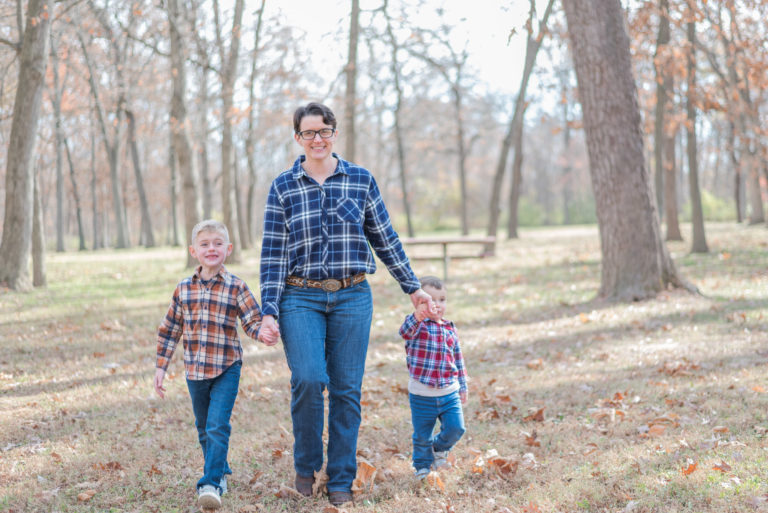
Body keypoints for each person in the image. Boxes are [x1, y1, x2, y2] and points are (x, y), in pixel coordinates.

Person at [258, 102, 436, 506]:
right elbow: (272, 254)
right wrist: (269, 308)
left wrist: (413, 287)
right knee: (307, 378)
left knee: (346, 390)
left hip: (353, 296)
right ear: (298, 138)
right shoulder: (283, 186)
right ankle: (306, 465)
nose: (317, 139)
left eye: (324, 131)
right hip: (299, 295)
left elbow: (385, 238)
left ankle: (340, 477)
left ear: (334, 133)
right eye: (308, 133)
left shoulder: (359, 180)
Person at [154, 219, 276, 511]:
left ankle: (211, 483)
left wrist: (264, 332)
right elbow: (170, 329)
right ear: (193, 251)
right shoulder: (183, 289)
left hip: (227, 367)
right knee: (202, 426)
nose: (211, 249)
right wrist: (161, 366)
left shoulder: (236, 286)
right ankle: (219, 466)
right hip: (195, 370)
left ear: (228, 249)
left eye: (218, 244)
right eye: (205, 244)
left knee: (217, 425)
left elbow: (251, 320)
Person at [399, 275, 468, 480]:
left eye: (442, 299)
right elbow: (404, 331)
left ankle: (438, 449)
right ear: (419, 302)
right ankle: (422, 466)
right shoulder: (416, 325)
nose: (437, 304)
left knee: (457, 427)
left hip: (449, 391)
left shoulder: (450, 327)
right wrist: (418, 315)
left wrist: (463, 385)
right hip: (422, 393)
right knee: (422, 435)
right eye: (430, 300)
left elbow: (458, 357)